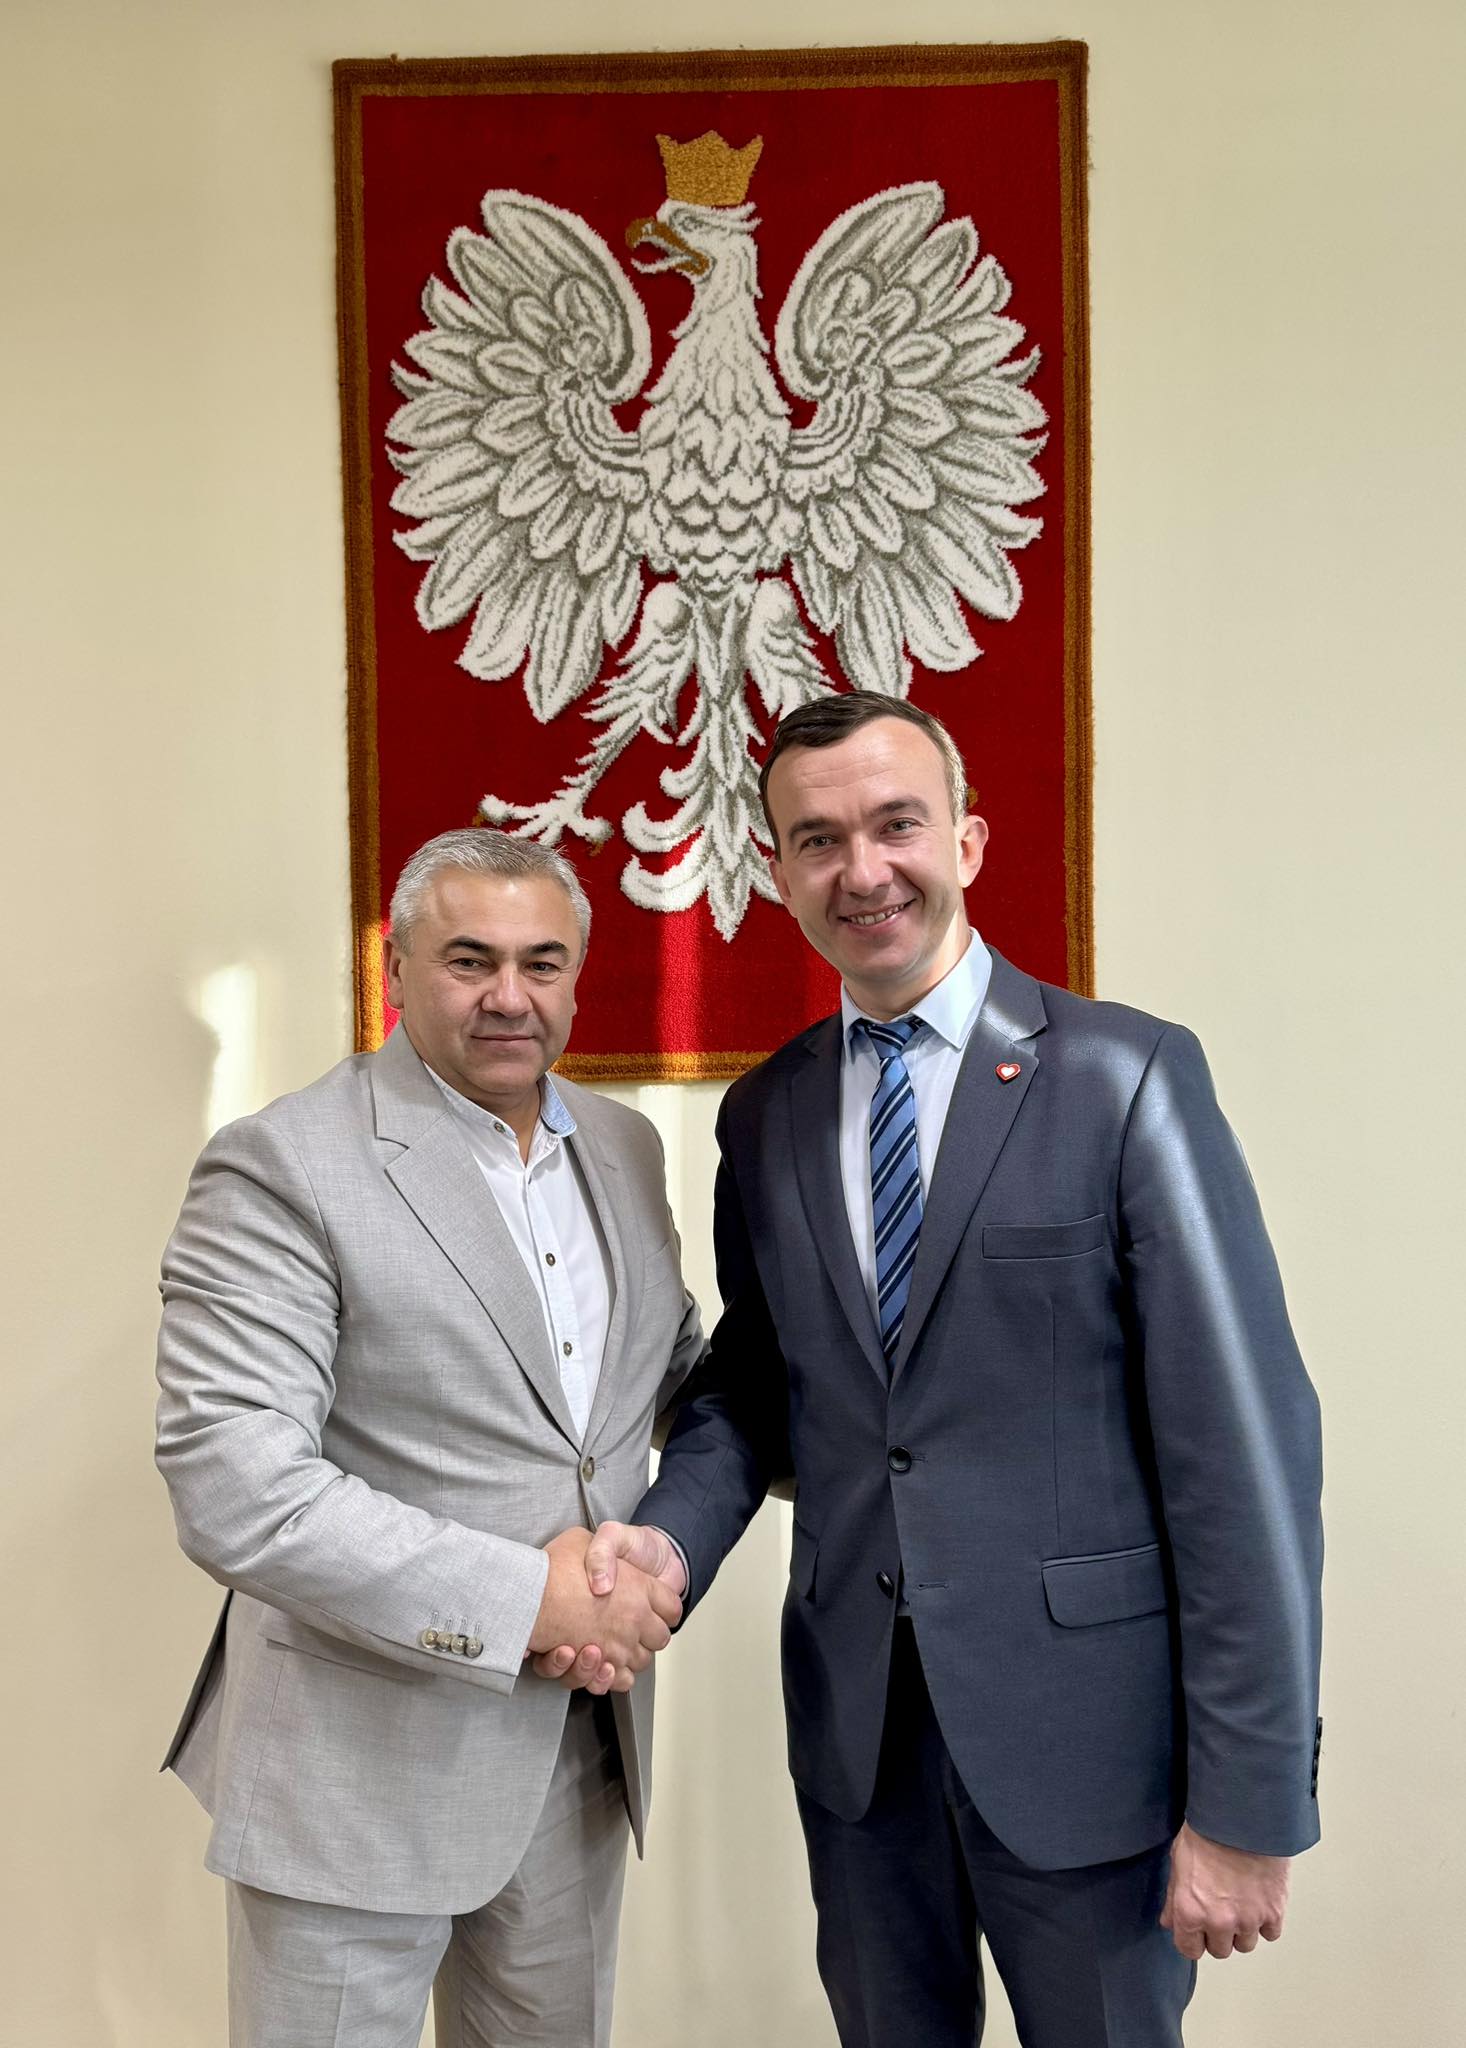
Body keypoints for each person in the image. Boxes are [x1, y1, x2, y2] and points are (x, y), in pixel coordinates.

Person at [562, 693, 1324, 2046]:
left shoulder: (1124, 1078)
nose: (862, 869)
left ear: (965, 841)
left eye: (895, 824)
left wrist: (1248, 1803)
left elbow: (1241, 1455)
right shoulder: (767, 1112)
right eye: (817, 839)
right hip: (861, 1748)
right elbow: (756, 1382)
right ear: (778, 872)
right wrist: (665, 1545)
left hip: (1088, 1751)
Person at [156, 827, 702, 2048]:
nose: (510, 995)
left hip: (575, 1759)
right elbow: (236, 1482)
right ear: (396, 967)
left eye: (541, 961)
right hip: (353, 1773)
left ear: (575, 975)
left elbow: (667, 1379)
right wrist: (527, 1598)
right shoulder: (284, 1161)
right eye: (469, 959)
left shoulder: (623, 1146)